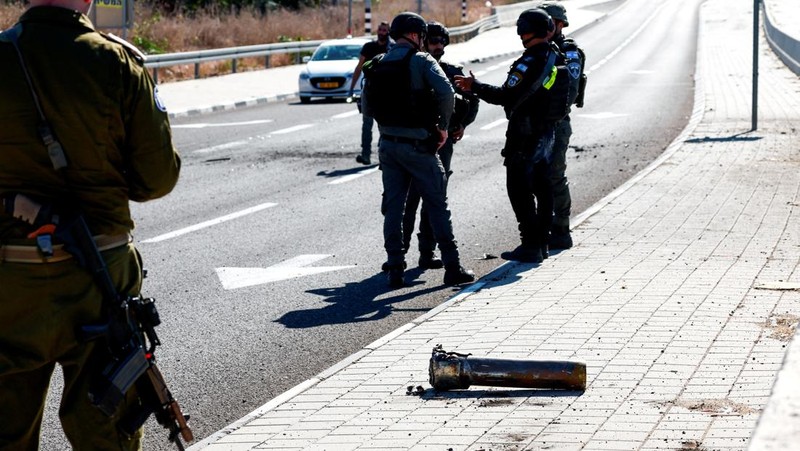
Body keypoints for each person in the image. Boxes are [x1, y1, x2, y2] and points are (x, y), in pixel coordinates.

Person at [0, 0, 181, 449]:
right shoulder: (116, 61)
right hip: (99, 277)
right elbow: (157, 180)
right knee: (105, 424)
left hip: (10, 283)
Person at [361, 11, 475, 288]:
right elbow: (447, 93)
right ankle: (452, 266)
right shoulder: (421, 60)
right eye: (422, 36)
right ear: (415, 35)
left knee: (394, 208)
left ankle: (396, 268)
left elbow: (365, 106)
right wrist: (443, 128)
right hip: (420, 146)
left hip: (388, 145)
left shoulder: (377, 62)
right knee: (437, 203)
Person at [455, 8, 558, 264]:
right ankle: (543, 242)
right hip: (547, 131)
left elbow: (506, 95)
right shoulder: (556, 56)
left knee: (519, 190)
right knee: (544, 188)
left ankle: (531, 245)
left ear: (524, 30)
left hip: (525, 134)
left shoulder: (530, 61)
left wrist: (474, 87)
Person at [401, 21, 480, 270]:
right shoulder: (412, 67)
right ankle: (399, 253)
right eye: (432, 41)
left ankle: (427, 252)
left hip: (441, 145)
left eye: (440, 42)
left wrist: (461, 125)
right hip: (412, 142)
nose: (437, 46)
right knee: (407, 200)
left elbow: (470, 102)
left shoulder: (451, 71)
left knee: (434, 198)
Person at [540, 1, 585, 250]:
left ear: (558, 24)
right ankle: (542, 227)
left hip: (556, 123)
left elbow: (569, 90)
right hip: (535, 125)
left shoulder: (569, 52)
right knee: (534, 178)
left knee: (554, 175)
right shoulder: (538, 49)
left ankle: (561, 228)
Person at [349, 21, 391, 166]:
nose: (382, 32)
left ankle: (383, 153)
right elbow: (359, 67)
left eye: (385, 30)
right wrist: (351, 87)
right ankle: (365, 155)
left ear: (389, 31)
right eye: (380, 29)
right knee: (367, 124)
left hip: (387, 93)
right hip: (368, 91)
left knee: (384, 124)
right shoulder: (369, 47)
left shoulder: (391, 48)